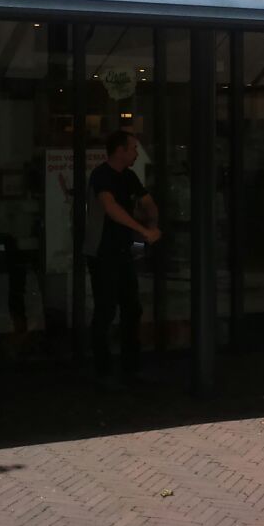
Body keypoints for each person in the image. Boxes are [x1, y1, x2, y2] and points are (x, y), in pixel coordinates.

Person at [88, 130, 160, 386]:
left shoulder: (128, 177)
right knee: (106, 309)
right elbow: (111, 208)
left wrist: (152, 222)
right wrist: (144, 230)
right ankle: (104, 370)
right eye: (133, 148)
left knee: (131, 308)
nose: (137, 153)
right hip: (102, 252)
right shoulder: (101, 175)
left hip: (122, 251)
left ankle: (130, 366)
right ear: (120, 150)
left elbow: (148, 202)